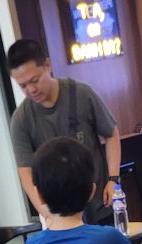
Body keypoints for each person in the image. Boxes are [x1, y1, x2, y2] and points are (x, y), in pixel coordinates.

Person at [7, 39, 121, 225]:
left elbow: (111, 133)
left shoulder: (82, 94)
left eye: (35, 80)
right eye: (23, 86)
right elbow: (25, 171)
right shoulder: (21, 119)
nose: (31, 90)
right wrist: (46, 213)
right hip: (60, 216)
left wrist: (113, 179)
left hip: (99, 202)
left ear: (47, 65)